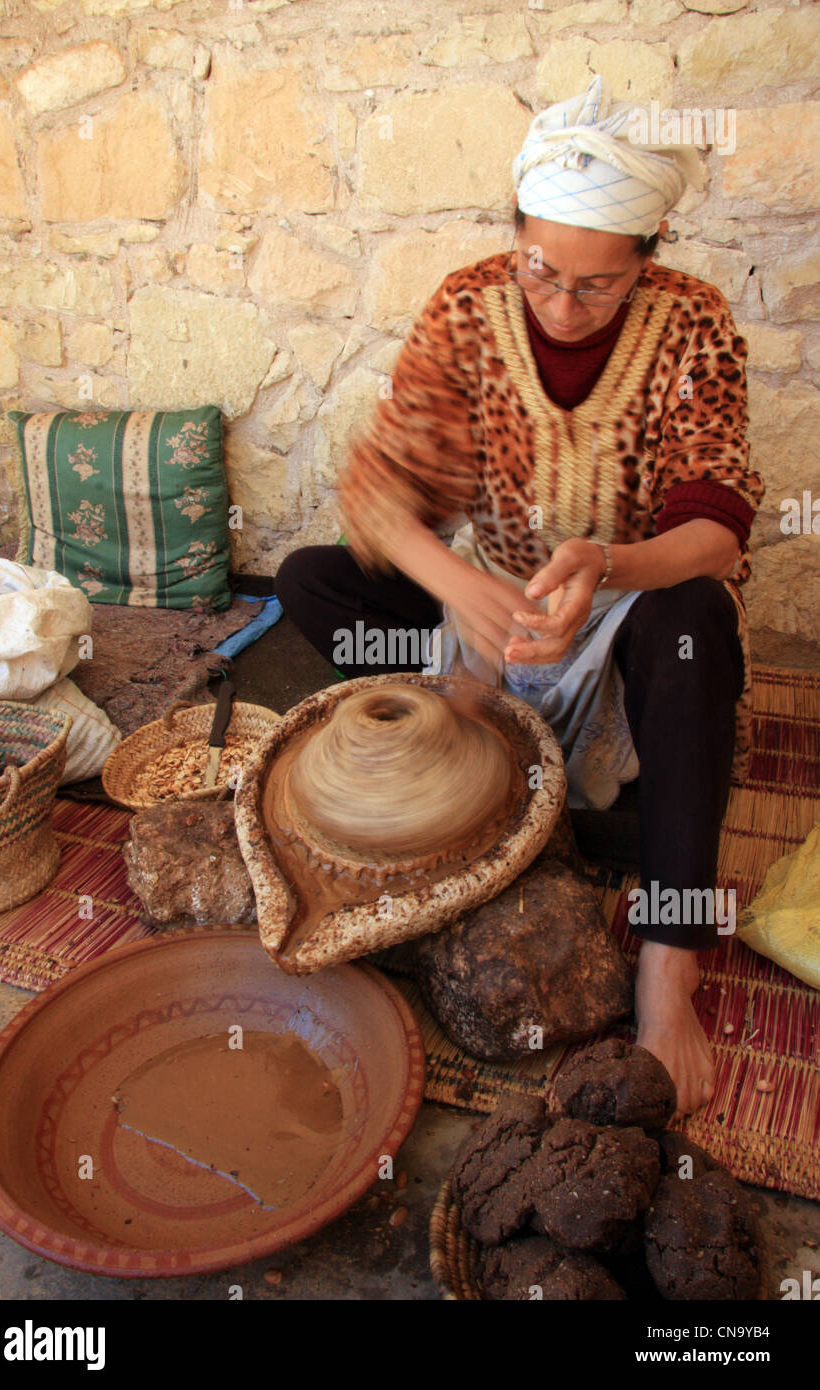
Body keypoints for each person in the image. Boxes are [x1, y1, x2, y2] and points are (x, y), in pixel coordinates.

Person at [276, 76, 765, 1116]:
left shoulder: (691, 322)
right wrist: (466, 592)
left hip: (627, 620)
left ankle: (668, 961)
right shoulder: (468, 304)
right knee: (308, 577)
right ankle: (467, 718)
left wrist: (608, 563)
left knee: (694, 628)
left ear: (650, 251)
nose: (558, 300)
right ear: (515, 235)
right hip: (489, 612)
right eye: (540, 267)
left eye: (595, 284)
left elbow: (716, 532)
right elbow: (378, 490)